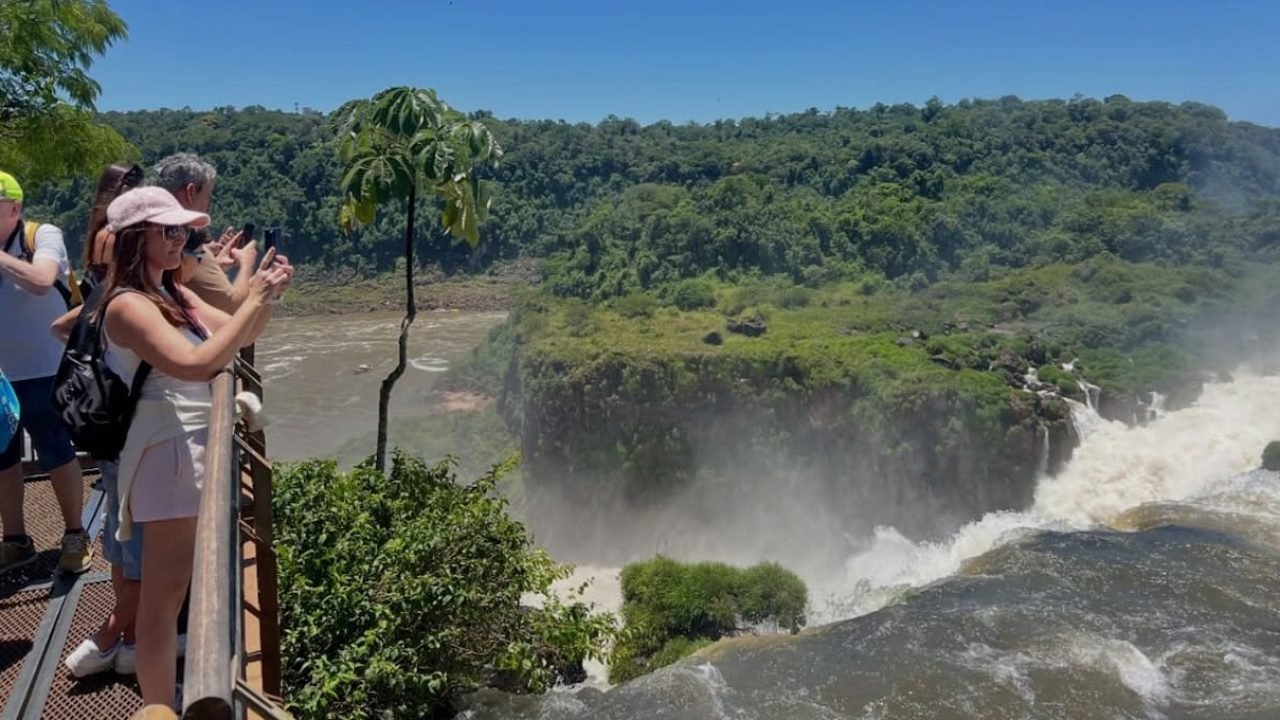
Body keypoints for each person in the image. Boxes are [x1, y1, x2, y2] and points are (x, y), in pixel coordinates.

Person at [99, 187, 289, 708]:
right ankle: (160, 705)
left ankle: (166, 699)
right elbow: (195, 364)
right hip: (168, 455)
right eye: (168, 230)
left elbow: (237, 334)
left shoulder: (172, 292)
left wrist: (265, 297)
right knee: (162, 604)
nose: (180, 239)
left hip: (188, 448)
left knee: (173, 593)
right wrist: (253, 297)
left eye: (182, 230)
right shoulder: (128, 306)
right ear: (136, 238)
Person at [55, 162, 147, 678]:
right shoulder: (119, 245)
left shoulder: (97, 240)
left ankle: (126, 637)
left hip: (106, 420)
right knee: (137, 540)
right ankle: (116, 635)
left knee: (120, 530)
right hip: (127, 420)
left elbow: (74, 318)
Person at [0, 170, 92, 576]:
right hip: (2, 377)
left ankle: (75, 533)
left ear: (14, 208)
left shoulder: (42, 235)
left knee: (55, 450)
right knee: (3, 459)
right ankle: (16, 541)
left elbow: (41, 280)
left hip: (44, 368)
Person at [151, 153, 258, 313]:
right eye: (208, 195)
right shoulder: (187, 243)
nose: (208, 204)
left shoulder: (154, 233)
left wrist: (216, 262)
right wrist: (248, 265)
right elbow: (233, 309)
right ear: (190, 192)